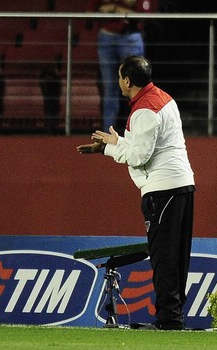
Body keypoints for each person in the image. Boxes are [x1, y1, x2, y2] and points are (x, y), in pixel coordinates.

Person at [77, 56, 195, 330]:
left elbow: (140, 155)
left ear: (127, 81)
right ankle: (174, 316)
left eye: (119, 77)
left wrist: (106, 149)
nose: (118, 81)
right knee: (177, 256)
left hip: (162, 189)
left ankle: (168, 319)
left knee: (163, 256)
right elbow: (150, 144)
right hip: (182, 185)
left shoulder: (144, 110)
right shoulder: (163, 98)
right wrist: (119, 141)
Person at [86, 0, 157, 132]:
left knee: (137, 87)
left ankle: (140, 131)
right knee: (109, 89)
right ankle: (107, 134)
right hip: (107, 37)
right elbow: (90, 11)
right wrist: (122, 10)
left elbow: (145, 14)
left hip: (131, 37)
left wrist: (115, 9)